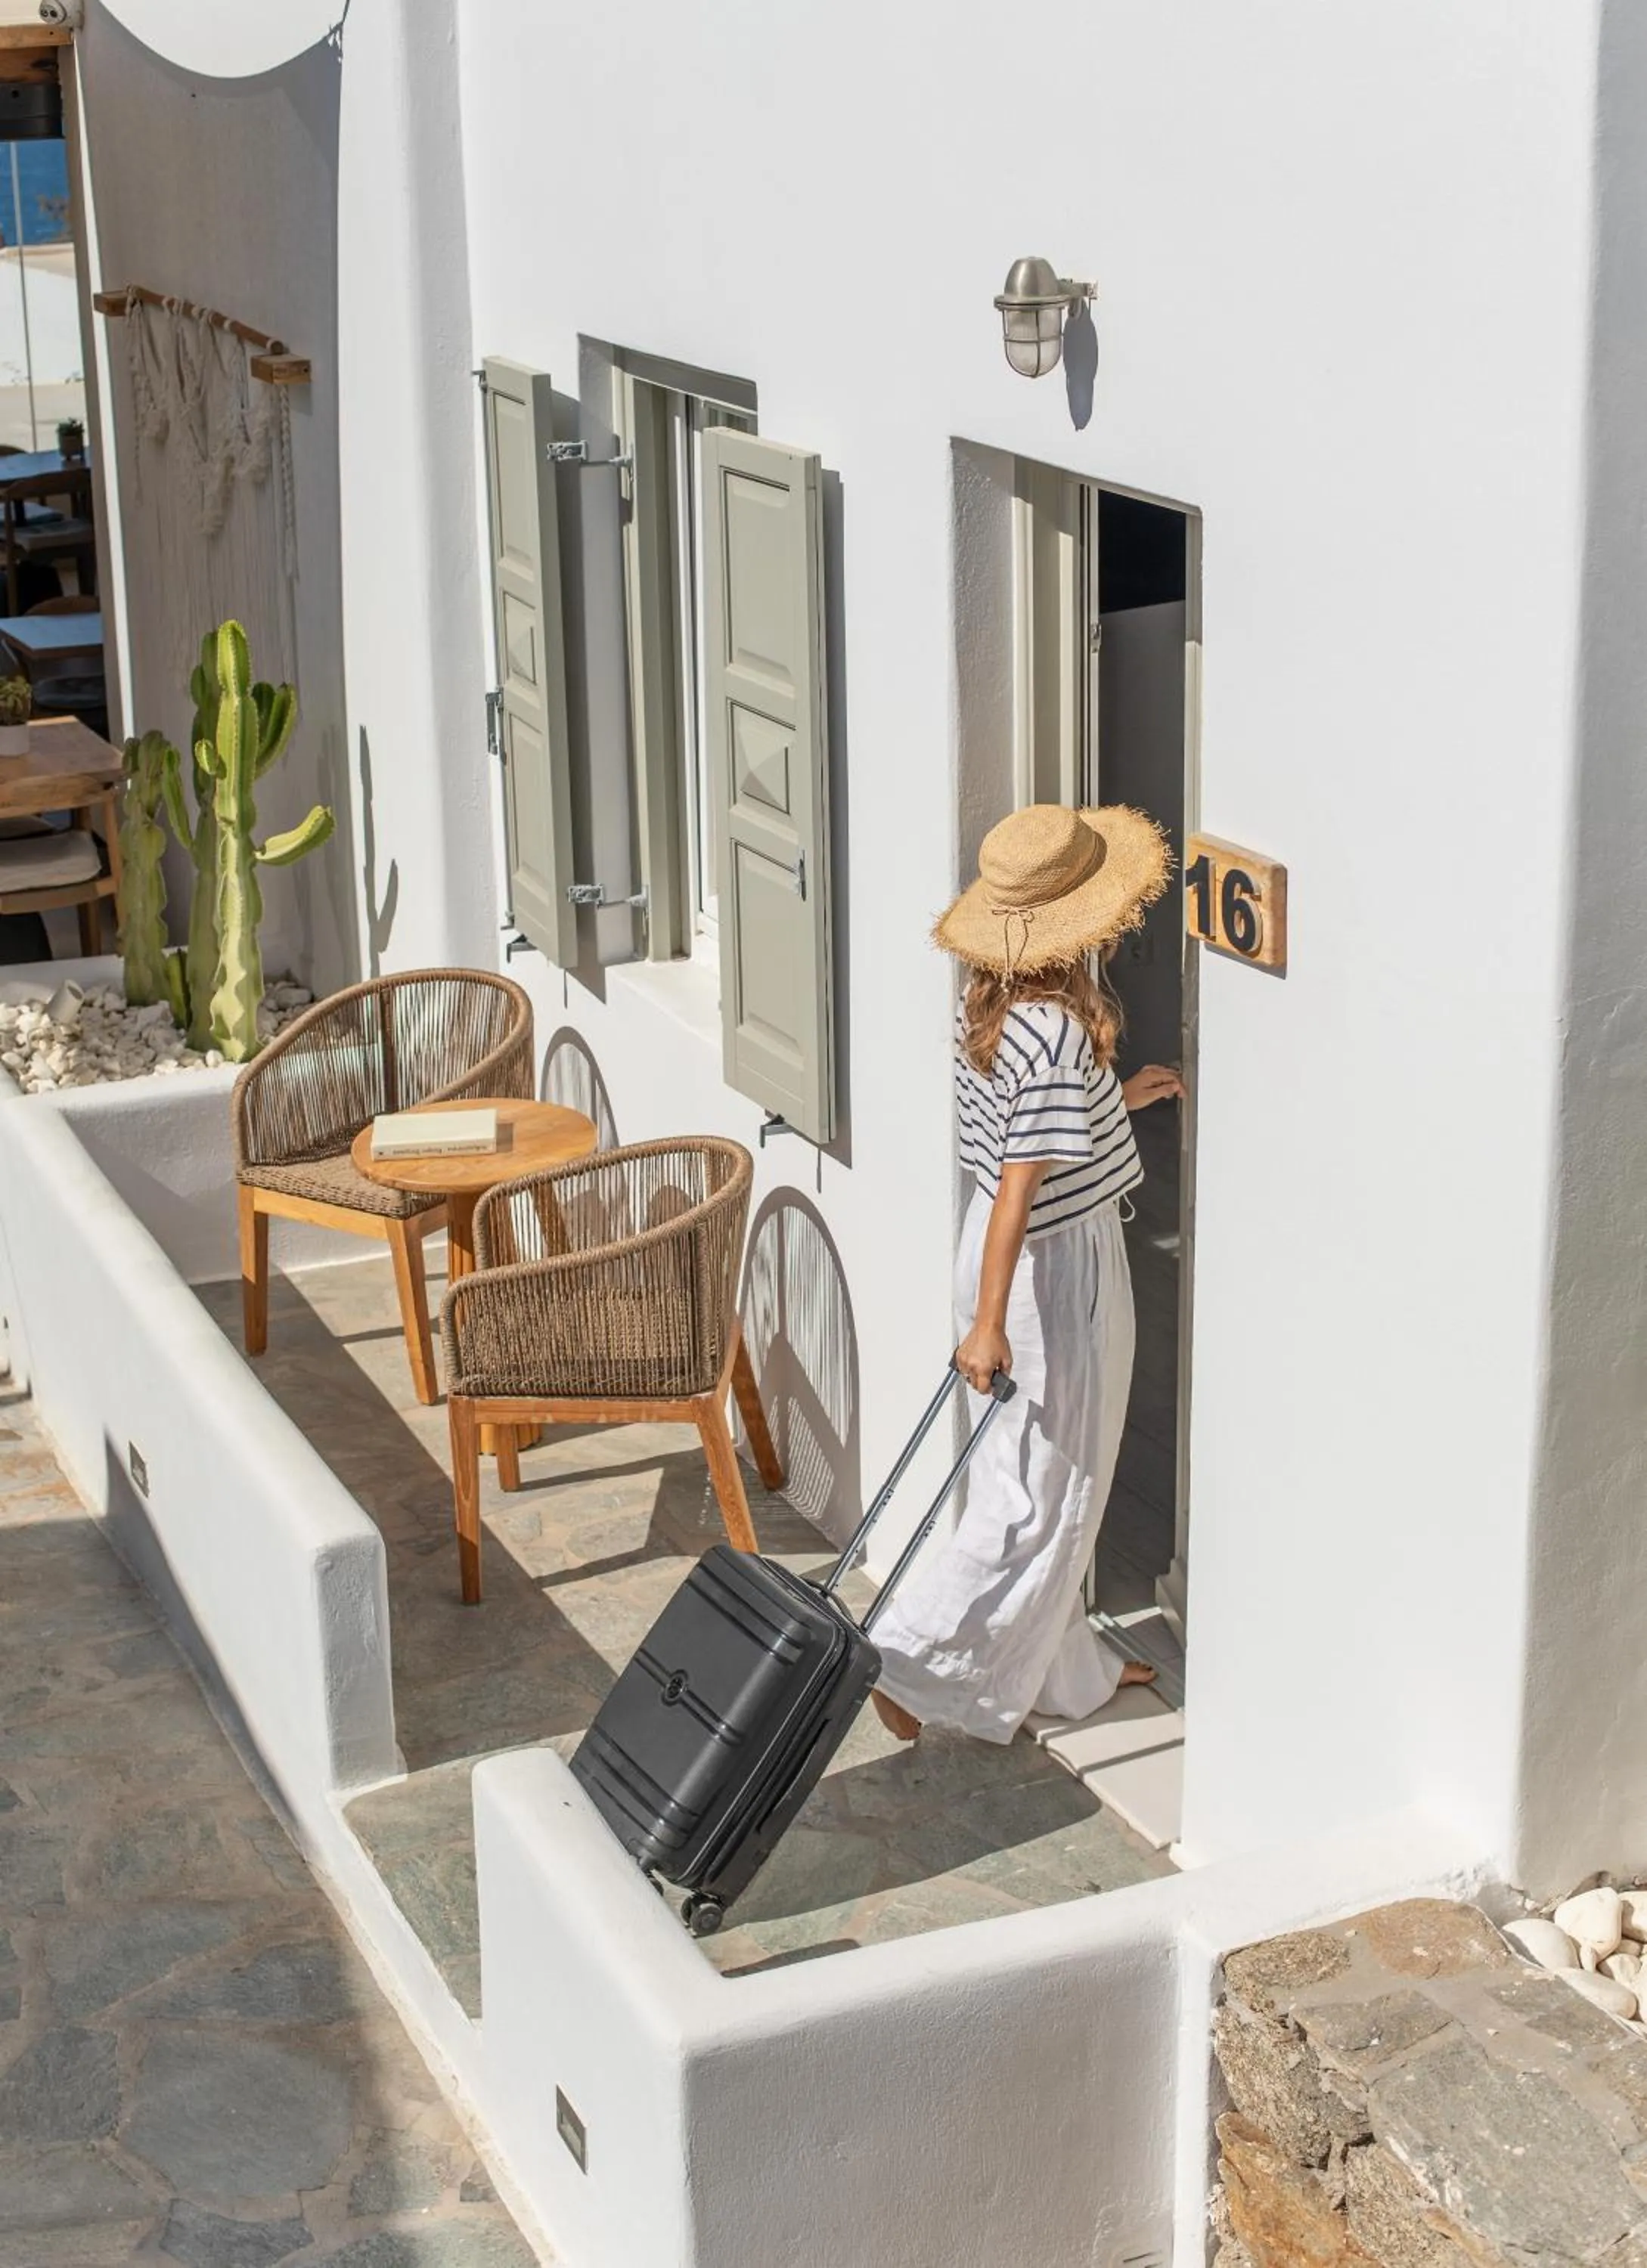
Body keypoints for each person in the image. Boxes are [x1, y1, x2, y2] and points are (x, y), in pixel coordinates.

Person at [870, 801, 1186, 1745]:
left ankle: (1065, 1673)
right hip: (1049, 1272)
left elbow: (1025, 1141)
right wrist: (990, 1323)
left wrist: (1114, 1101)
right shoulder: (1053, 1033)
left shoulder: (988, 1006)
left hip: (1012, 1254)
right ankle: (904, 1659)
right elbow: (1022, 1185)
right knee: (1041, 1491)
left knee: (1033, 1478)